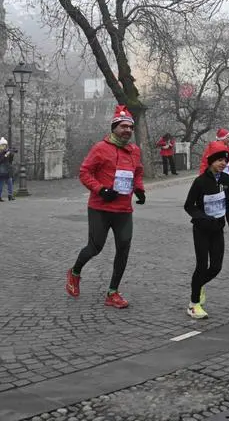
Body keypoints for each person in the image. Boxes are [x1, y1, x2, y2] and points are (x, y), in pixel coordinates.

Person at [65, 105, 145, 309]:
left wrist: (139, 189)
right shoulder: (100, 148)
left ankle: (112, 292)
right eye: (123, 127)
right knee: (95, 247)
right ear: (114, 128)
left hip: (124, 210)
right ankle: (74, 272)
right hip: (100, 208)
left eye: (130, 127)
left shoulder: (135, 151)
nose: (127, 130)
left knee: (123, 249)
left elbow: (138, 172)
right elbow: (84, 173)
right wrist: (101, 190)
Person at [183, 149, 229, 319]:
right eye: (219, 160)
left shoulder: (227, 180)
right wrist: (203, 218)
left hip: (217, 229)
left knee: (216, 267)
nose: (223, 164)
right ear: (211, 162)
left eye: (225, 161)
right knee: (201, 266)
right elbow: (189, 206)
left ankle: (198, 286)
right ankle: (193, 305)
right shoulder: (200, 182)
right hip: (201, 229)